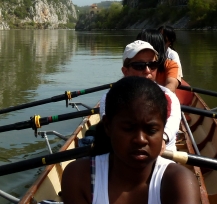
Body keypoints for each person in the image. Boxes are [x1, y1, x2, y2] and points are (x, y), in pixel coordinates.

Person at [62, 77, 200, 204]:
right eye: (128, 129)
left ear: (163, 129)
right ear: (108, 127)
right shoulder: (79, 176)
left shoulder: (179, 181)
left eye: (151, 130)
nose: (140, 140)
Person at [99, 40, 181, 151]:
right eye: (139, 66)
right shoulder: (110, 96)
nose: (147, 71)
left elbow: (173, 122)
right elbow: (109, 122)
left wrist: (162, 138)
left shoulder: (168, 96)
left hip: (164, 157)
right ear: (125, 71)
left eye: (152, 65)